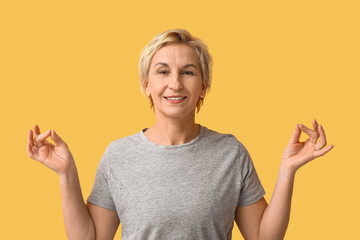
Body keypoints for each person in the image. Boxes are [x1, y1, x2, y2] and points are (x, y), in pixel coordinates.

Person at [26, 29, 334, 240]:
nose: (175, 83)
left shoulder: (230, 152)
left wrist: (287, 170)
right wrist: (66, 174)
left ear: (203, 85)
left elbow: (264, 236)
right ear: (146, 85)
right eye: (162, 71)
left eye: (188, 71)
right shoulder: (118, 155)